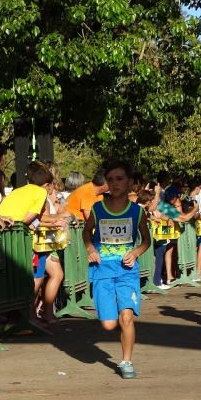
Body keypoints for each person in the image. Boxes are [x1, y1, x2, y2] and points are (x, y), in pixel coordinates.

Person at [82, 159, 150, 379]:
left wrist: (136, 252)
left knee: (127, 317)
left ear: (129, 182)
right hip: (102, 271)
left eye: (120, 178)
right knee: (110, 325)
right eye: (110, 179)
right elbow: (86, 232)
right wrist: (90, 247)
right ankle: (112, 318)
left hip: (126, 271)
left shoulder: (137, 212)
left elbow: (146, 240)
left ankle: (126, 361)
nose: (115, 183)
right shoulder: (98, 208)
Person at [0, 162, 70, 324]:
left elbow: (34, 219)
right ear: (46, 185)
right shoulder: (40, 193)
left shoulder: (18, 191)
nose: (51, 188)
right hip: (25, 242)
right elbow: (28, 219)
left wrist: (51, 222)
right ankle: (27, 315)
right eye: (50, 185)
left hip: (6, 240)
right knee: (35, 278)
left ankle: (21, 315)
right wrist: (52, 222)